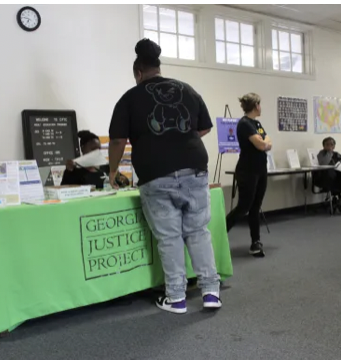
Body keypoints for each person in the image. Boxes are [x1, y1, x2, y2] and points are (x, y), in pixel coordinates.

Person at [108, 38, 221, 314]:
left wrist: (112, 171)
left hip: (155, 174)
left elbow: (117, 140)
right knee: (198, 231)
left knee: (169, 237)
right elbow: (204, 128)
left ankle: (177, 298)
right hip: (195, 168)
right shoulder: (187, 89)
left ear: (137, 72)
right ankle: (210, 292)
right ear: (159, 67)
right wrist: (180, 138)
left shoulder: (129, 97)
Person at [225, 93, 271, 257]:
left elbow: (268, 141)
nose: (261, 107)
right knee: (243, 207)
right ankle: (218, 235)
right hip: (247, 171)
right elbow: (260, 144)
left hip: (261, 170)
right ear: (255, 105)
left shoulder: (256, 123)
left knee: (255, 207)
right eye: (259, 104)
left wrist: (263, 142)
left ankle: (255, 242)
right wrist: (263, 142)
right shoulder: (244, 124)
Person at [62, 130, 129, 189]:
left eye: (99, 149)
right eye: (93, 149)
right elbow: (64, 190)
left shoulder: (105, 167)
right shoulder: (74, 171)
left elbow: (125, 182)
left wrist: (118, 176)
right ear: (82, 148)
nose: (97, 152)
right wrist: (69, 171)